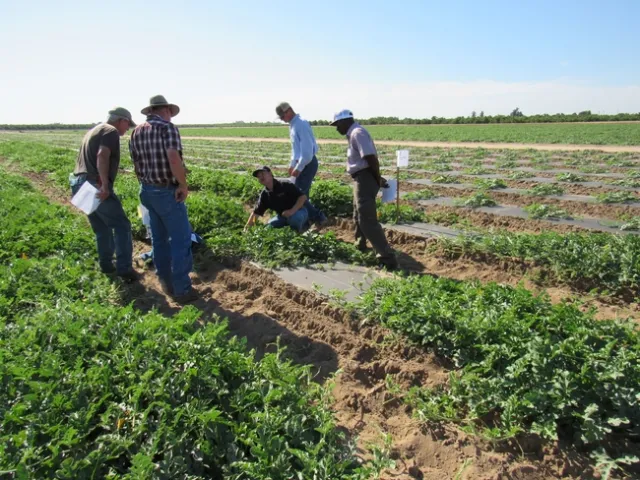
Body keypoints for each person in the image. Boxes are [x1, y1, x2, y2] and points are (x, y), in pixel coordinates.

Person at [129, 95, 197, 303]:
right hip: (166, 191)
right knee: (181, 239)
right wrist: (183, 185)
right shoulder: (167, 128)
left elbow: (136, 162)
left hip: (147, 190)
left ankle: (165, 282)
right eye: (170, 113)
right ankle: (183, 289)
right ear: (166, 110)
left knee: (159, 240)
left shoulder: (136, 131)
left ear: (151, 110)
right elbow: (174, 158)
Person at [70, 107, 139, 281]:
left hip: (80, 183)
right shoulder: (110, 131)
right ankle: (125, 270)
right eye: (127, 124)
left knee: (102, 227)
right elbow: (102, 155)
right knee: (122, 225)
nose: (127, 129)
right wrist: (105, 184)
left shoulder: (93, 130)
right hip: (95, 184)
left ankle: (107, 266)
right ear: (121, 120)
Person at [330, 109, 398, 270]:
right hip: (361, 178)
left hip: (365, 178)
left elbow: (370, 158)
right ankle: (359, 245)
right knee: (357, 213)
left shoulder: (357, 133)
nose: (336, 128)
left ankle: (387, 259)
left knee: (367, 219)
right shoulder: (353, 133)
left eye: (336, 124)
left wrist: (376, 178)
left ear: (344, 121)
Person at [275, 102, 327, 225]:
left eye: (283, 117)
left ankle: (318, 217)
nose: (282, 120)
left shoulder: (301, 124)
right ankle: (307, 220)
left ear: (289, 111)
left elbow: (307, 152)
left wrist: (299, 167)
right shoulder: (293, 125)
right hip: (302, 164)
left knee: (299, 195)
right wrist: (292, 164)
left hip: (307, 164)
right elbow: (296, 149)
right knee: (300, 194)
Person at [244, 166, 310, 233]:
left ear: (270, 174)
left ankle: (300, 230)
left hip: (298, 212)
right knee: (267, 229)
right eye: (259, 176)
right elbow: (256, 213)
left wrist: (291, 211)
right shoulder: (265, 194)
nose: (261, 177)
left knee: (295, 219)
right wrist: (247, 228)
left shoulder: (285, 184)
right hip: (282, 217)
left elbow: (303, 197)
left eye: (262, 174)